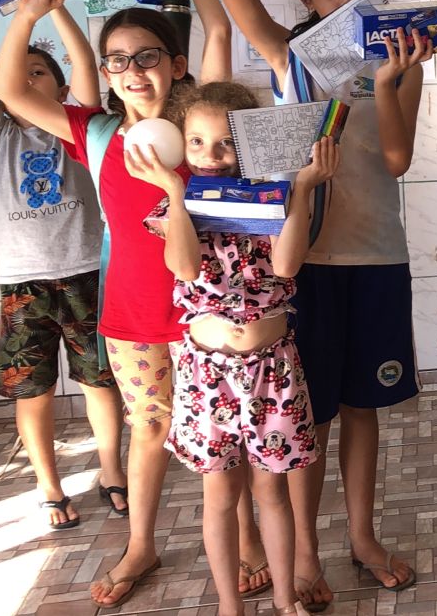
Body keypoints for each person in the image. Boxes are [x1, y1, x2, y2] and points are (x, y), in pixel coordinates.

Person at [0, 0, 272, 610]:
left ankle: (248, 539)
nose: (132, 70)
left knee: (225, 435)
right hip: (132, 313)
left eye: (147, 56)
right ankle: (140, 544)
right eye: (116, 60)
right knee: (147, 427)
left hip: (208, 312)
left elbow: (216, 28)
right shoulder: (94, 132)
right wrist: (29, 13)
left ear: (176, 64)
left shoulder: (202, 120)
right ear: (106, 72)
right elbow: (9, 90)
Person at [217, 0, 431, 609]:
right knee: (308, 415)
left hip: (378, 258)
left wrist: (389, 82)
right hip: (303, 264)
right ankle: (306, 555)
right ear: (307, 0)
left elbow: (397, 159)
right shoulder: (291, 58)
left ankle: (362, 539)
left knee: (364, 407)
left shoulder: (402, 58)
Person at [130, 81, 341, 616]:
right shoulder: (173, 205)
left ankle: (285, 599)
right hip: (207, 375)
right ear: (180, 143)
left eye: (226, 142)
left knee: (272, 493)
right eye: (197, 142)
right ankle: (230, 605)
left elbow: (287, 266)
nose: (212, 154)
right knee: (221, 496)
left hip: (273, 371)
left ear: (248, 143)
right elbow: (183, 266)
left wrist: (304, 187)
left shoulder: (273, 200)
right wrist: (174, 190)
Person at [0, 0, 125, 531]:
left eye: (38, 71)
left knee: (100, 382)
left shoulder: (80, 129)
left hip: (88, 275)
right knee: (32, 392)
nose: (27, 80)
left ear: (59, 88)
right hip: (23, 283)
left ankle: (112, 473)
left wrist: (58, 11)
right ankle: (49, 487)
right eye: (17, 72)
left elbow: (83, 65)